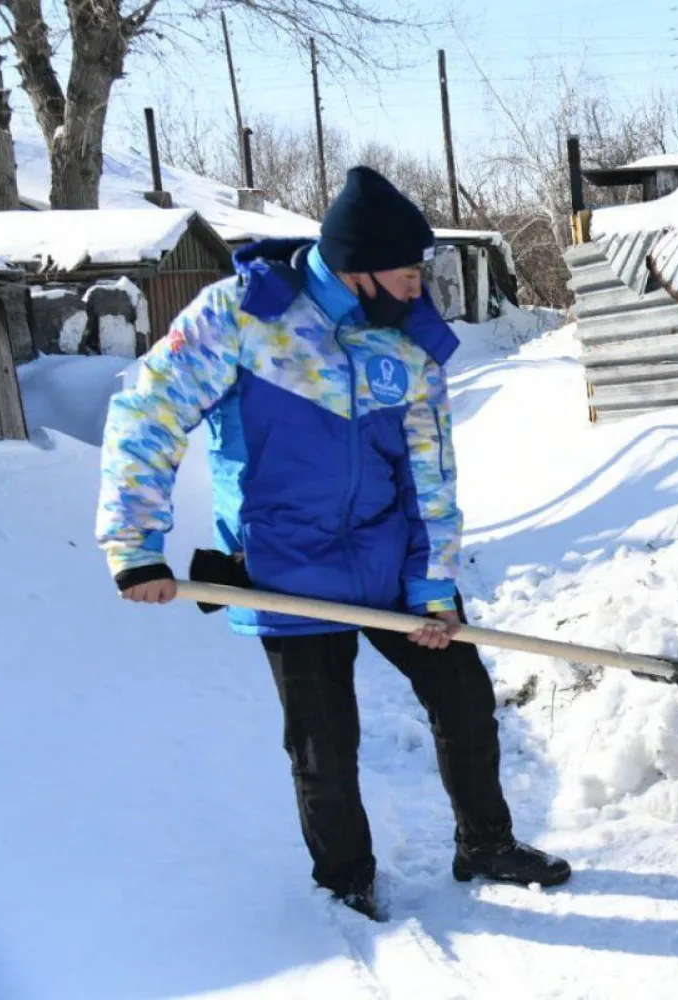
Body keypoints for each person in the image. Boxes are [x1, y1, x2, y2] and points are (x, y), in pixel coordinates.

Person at [96, 166, 570, 921]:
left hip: (388, 566)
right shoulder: (242, 320)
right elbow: (145, 415)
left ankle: (485, 843)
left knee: (466, 699)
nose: (421, 287)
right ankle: (345, 881)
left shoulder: (408, 343)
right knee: (324, 746)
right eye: (410, 271)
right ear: (359, 264)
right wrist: (135, 545)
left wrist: (435, 584)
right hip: (284, 571)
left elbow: (430, 477)